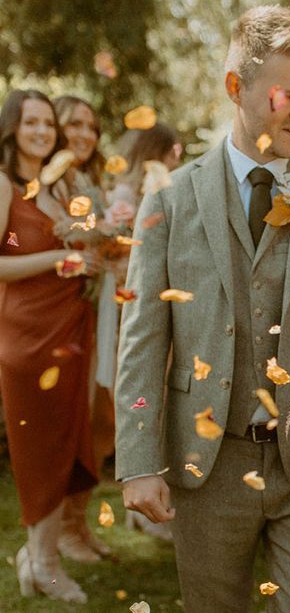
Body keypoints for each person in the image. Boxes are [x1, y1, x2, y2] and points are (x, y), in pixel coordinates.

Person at [114, 5, 290, 613]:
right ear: (236, 87)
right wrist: (138, 460)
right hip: (208, 462)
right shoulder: (170, 197)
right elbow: (142, 339)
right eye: (288, 96)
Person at [0, 88, 98, 603]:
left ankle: (38, 558)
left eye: (46, 123)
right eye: (30, 122)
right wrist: (62, 262)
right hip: (28, 336)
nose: (41, 131)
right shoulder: (3, 186)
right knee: (39, 449)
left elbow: (76, 243)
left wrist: (90, 250)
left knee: (61, 443)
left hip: (69, 329)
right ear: (13, 127)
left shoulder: (54, 185)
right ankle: (45, 562)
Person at [108, 122, 183, 543]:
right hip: (131, 306)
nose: (178, 158)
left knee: (161, 398)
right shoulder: (128, 195)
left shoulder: (161, 187)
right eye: (174, 150)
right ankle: (140, 487)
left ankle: (149, 498)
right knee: (141, 394)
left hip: (151, 302)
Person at [52, 94, 114, 563]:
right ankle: (60, 533)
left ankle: (78, 523)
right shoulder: (44, 182)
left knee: (99, 419)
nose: (85, 134)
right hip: (55, 313)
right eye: (75, 124)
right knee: (71, 423)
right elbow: (19, 239)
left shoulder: (92, 181)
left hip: (96, 308)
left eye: (91, 127)